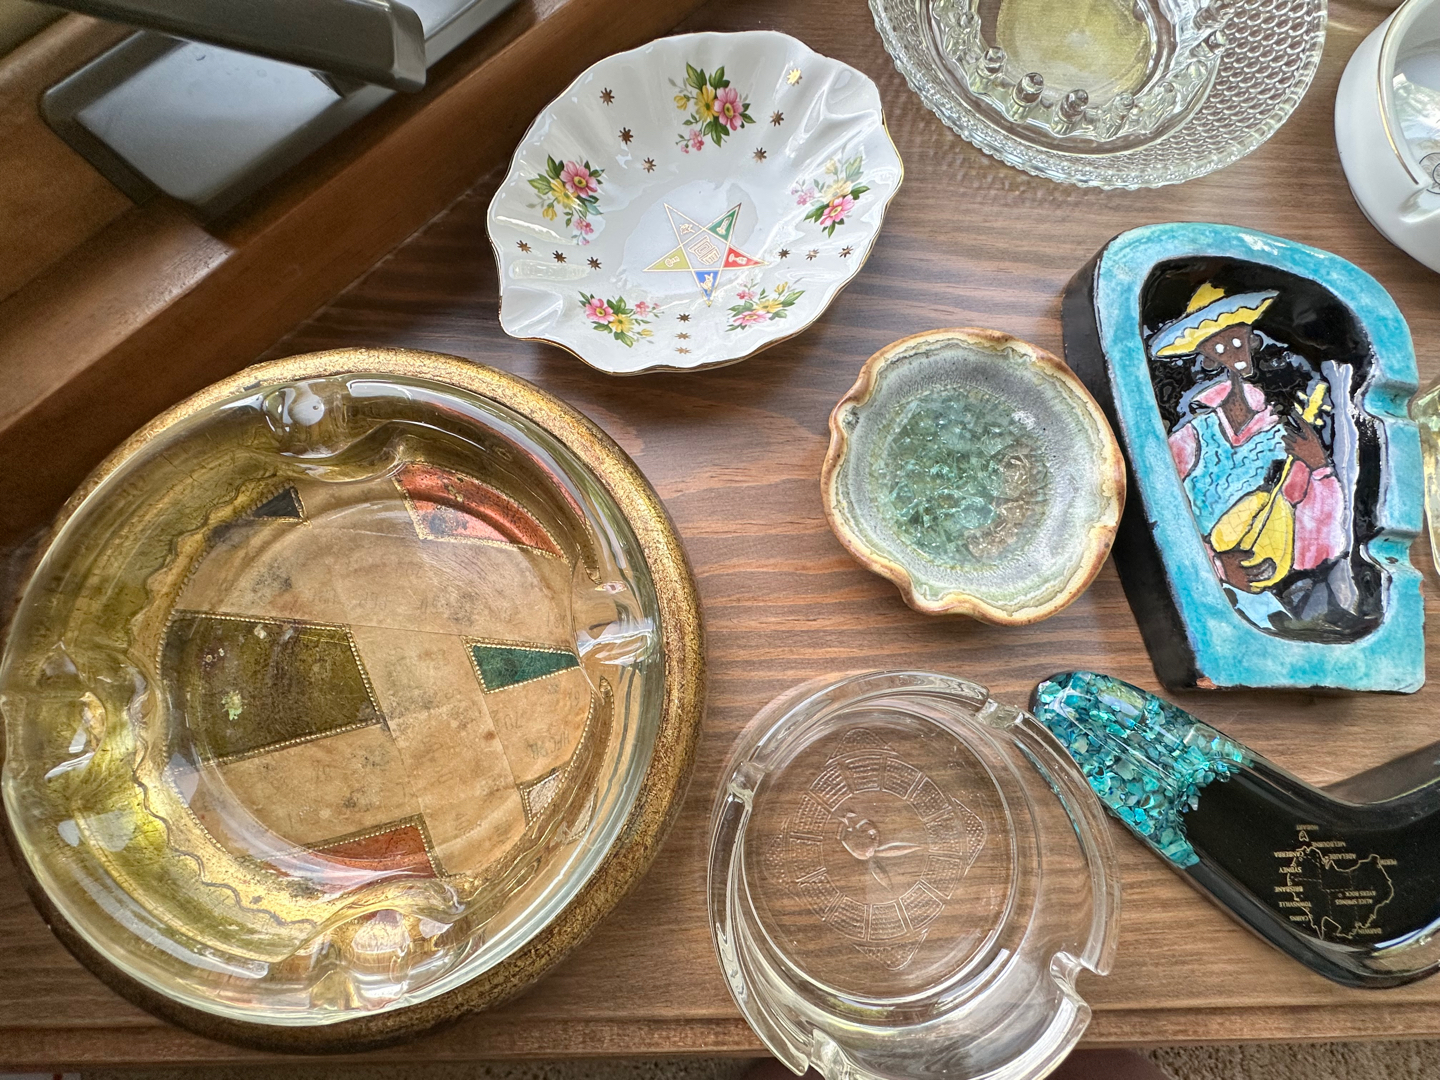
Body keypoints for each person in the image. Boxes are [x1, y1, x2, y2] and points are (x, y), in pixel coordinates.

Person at [1148, 284, 1348, 599]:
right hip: (1186, 581)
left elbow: (1321, 547)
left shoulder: (1285, 438)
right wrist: (1217, 565)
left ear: (1253, 341)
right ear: (1208, 359)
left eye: (1238, 341)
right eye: (1220, 347)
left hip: (1264, 591)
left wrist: (1319, 468)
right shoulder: (1194, 435)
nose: (1234, 353)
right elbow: (1156, 504)